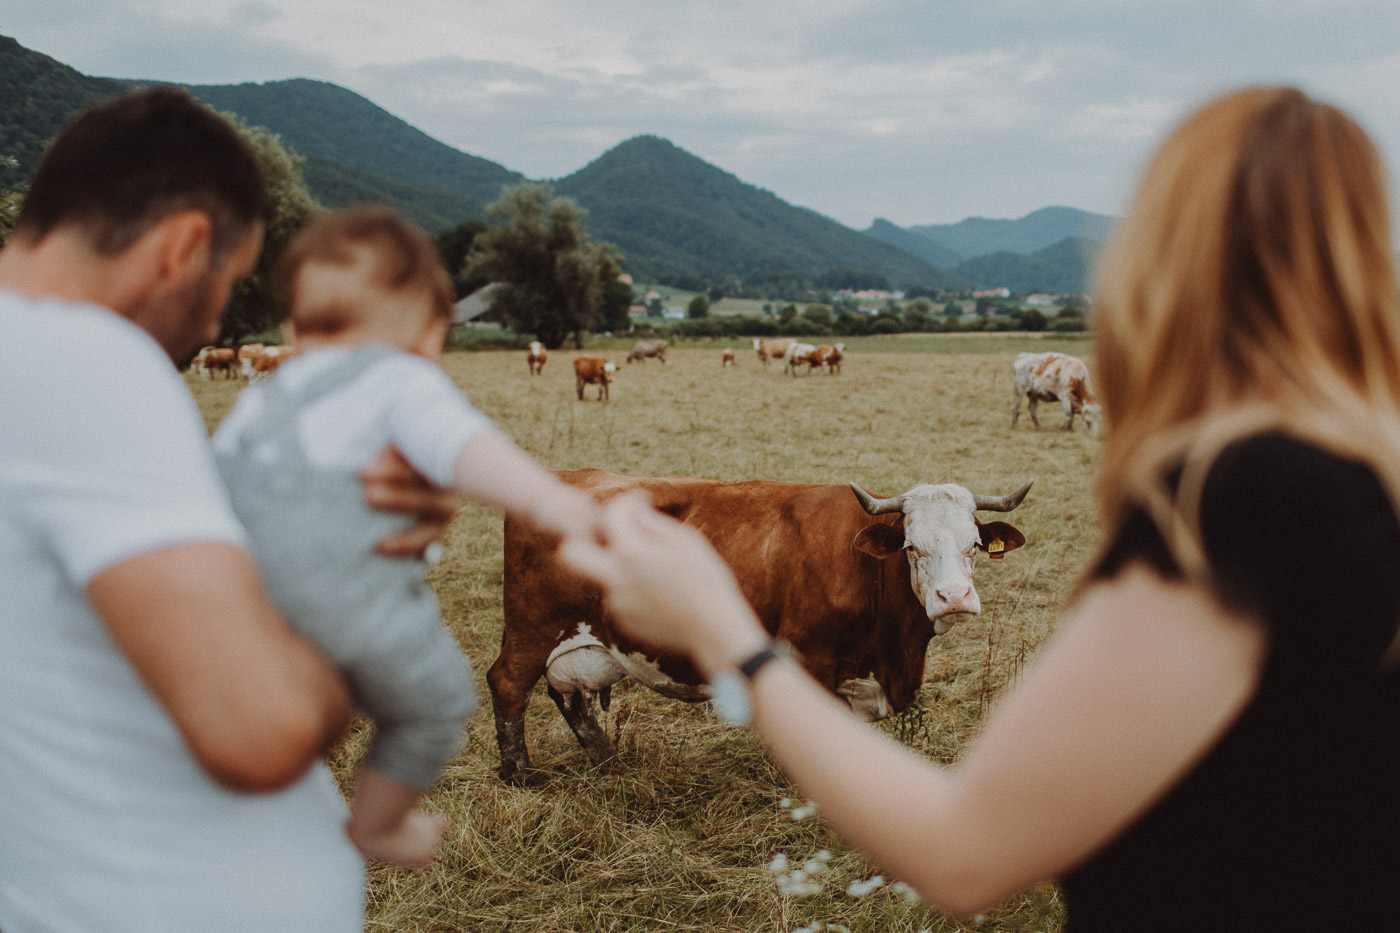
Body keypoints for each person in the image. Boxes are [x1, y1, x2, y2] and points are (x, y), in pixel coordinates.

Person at [558, 86, 1400, 930]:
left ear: (1159, 267)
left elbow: (966, 853)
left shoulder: (1248, 502)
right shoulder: (1372, 485)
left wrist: (723, 633)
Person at [0, 89, 460, 932]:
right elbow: (262, 729)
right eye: (232, 283)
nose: (215, 322)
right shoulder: (84, 355)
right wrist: (365, 570)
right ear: (185, 246)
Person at [211, 205, 600, 868]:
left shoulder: (261, 399)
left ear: (292, 328)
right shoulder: (399, 377)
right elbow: (471, 452)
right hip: (347, 595)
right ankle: (379, 824)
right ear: (429, 331)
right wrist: (554, 502)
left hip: (235, 598)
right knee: (437, 703)